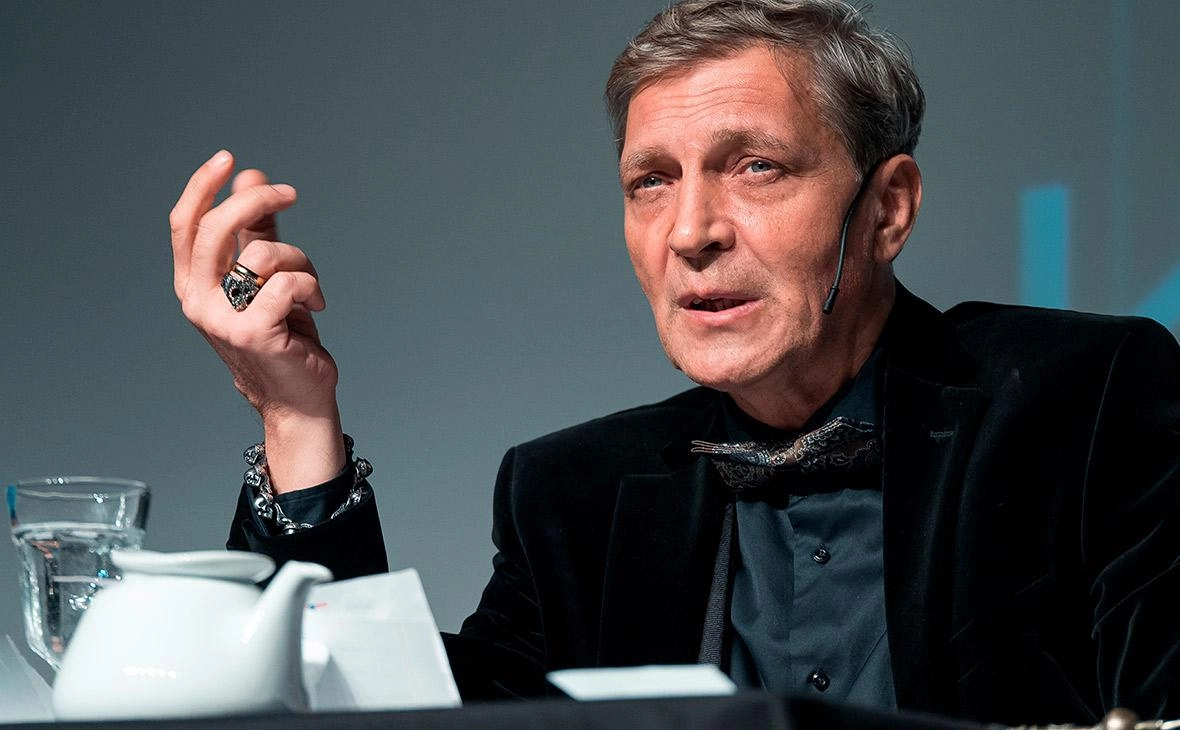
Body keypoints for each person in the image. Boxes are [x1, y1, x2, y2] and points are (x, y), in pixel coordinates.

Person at [168, 0, 1180, 725]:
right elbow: (388, 714)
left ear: (887, 209)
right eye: (650, 181)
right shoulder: (572, 494)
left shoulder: (1083, 401)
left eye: (756, 167)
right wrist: (296, 417)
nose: (691, 231)